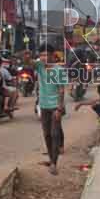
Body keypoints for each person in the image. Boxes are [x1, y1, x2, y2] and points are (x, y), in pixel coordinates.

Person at [35, 43, 67, 175]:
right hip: (43, 106)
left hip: (55, 106)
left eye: (46, 55)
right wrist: (25, 55)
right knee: (47, 135)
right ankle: (51, 158)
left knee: (54, 134)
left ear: (53, 56)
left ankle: (54, 163)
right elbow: (27, 63)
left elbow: (61, 90)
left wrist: (59, 109)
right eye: (41, 55)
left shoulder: (58, 70)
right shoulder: (40, 67)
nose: (43, 57)